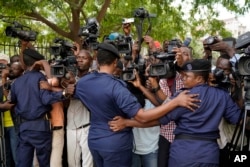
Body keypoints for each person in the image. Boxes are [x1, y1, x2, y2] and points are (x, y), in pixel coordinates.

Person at [69, 42, 200, 167]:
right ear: (115, 62)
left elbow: (72, 92)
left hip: (94, 141)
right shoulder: (117, 87)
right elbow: (142, 117)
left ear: (97, 60)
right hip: (115, 143)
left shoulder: (84, 83)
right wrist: (176, 101)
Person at [109, 59, 242, 167]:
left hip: (184, 154)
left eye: (187, 76)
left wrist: (127, 122)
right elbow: (238, 119)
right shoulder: (222, 96)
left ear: (200, 79)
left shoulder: (184, 96)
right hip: (209, 155)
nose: (183, 79)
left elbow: (157, 119)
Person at [10, 48, 67, 167]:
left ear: (24, 63)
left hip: (24, 128)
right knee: (44, 163)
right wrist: (62, 94)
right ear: (38, 63)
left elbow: (13, 102)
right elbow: (46, 99)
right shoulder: (40, 78)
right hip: (40, 128)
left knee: (23, 163)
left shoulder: (17, 82)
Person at [66, 49, 94, 167]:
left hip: (87, 127)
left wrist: (75, 85)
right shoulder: (69, 77)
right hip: (71, 128)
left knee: (88, 164)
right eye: (78, 57)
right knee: (73, 163)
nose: (80, 60)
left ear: (91, 62)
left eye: (84, 58)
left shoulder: (93, 78)